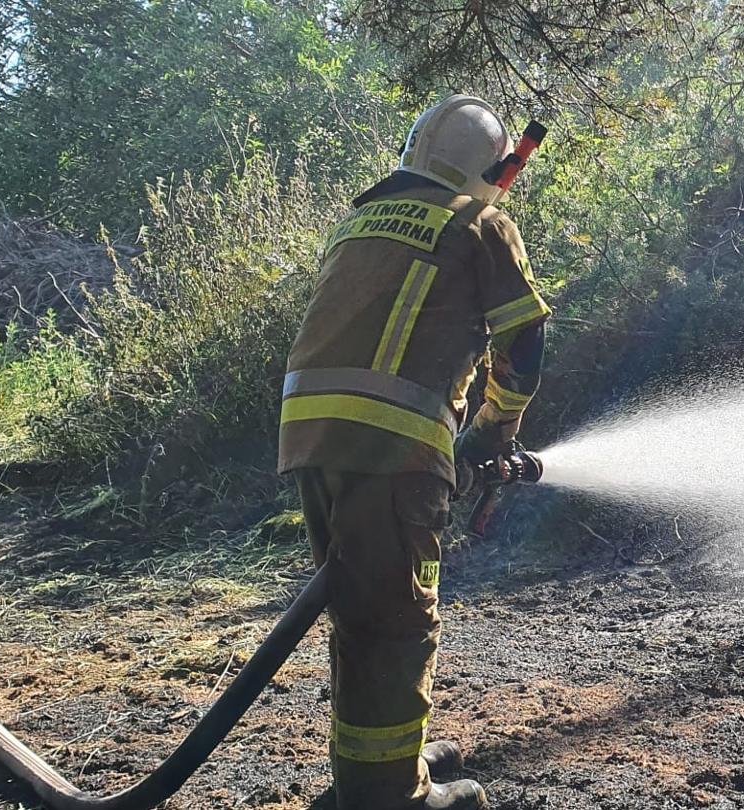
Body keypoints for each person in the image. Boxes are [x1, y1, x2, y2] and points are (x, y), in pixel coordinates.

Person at [277, 94, 550, 810]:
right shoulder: (480, 223)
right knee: (396, 620)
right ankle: (389, 796)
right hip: (390, 448)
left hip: (310, 437)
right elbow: (524, 339)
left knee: (360, 607)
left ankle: (379, 772)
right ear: (492, 168)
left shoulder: (362, 220)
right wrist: (497, 427)